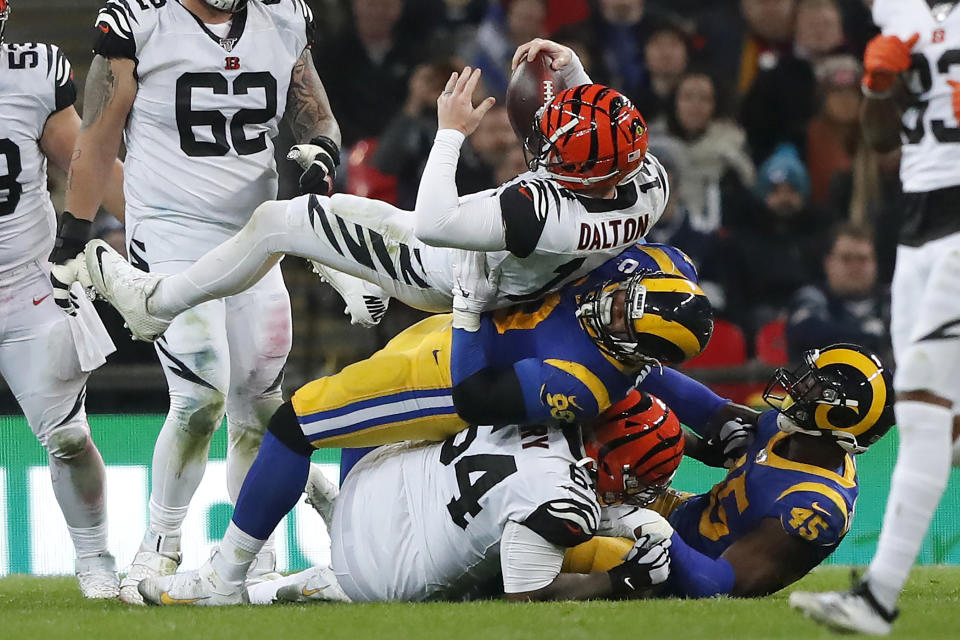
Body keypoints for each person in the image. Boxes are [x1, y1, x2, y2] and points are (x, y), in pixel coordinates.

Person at [83, 39, 668, 338]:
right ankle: (358, 279)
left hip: (437, 267)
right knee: (328, 212)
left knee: (275, 221)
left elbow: (436, 221)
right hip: (500, 274)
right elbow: (604, 147)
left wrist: (449, 134)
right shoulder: (648, 187)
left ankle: (156, 304)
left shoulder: (534, 211)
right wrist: (578, 79)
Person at [54, 0, 342, 604]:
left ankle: (249, 557)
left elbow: (317, 119)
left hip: (255, 233)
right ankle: (158, 547)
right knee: (200, 394)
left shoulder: (284, 18)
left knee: (259, 407)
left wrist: (321, 159)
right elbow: (100, 131)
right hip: (171, 232)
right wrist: (74, 230)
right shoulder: (138, 22)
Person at [142, 390, 683, 605]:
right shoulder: (566, 501)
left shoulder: (542, 400)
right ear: (614, 461)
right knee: (494, 575)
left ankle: (331, 507)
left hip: (376, 472)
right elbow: (528, 600)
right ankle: (266, 587)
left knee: (400, 406)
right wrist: (619, 580)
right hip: (378, 572)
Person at [790, 3, 960, 634]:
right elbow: (883, 136)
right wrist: (877, 87)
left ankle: (878, 597)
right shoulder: (904, 12)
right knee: (944, 430)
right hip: (918, 232)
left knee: (919, 405)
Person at [570, 344, 897, 598]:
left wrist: (653, 530)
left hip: (674, 565)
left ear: (838, 418)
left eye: (814, 386)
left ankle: (528, 575)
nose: (800, 386)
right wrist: (622, 365)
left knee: (576, 541)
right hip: (682, 514)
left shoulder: (812, 507)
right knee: (633, 419)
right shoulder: (799, 435)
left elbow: (716, 583)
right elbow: (710, 410)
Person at [0, 0, 125, 597]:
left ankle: (95, 558)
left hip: (25, 283)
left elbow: (82, 157)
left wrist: (149, 231)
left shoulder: (30, 71)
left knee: (70, 438)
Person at [786, 223, 890, 362]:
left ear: (875, 263)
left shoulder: (892, 299)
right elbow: (804, 333)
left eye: (863, 259)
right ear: (828, 263)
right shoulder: (812, 297)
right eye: (846, 259)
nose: (855, 267)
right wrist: (869, 334)